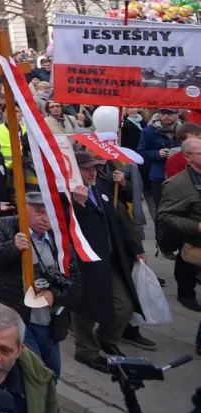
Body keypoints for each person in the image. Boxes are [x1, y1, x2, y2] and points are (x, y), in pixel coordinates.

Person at [0, 191, 75, 379]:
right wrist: (12, 247)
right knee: (31, 374)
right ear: (24, 210)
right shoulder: (4, 226)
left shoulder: (60, 237)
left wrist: (54, 295)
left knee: (51, 373)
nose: (45, 219)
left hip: (50, 321)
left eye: (50, 213)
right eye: (39, 212)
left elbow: (75, 281)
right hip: (18, 317)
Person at [70, 150, 144, 373]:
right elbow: (67, 227)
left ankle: (106, 339)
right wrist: (79, 206)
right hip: (84, 261)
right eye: (86, 169)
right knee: (85, 307)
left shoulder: (100, 188)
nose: (92, 173)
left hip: (110, 259)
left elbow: (117, 222)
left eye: (94, 168)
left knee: (124, 306)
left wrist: (134, 248)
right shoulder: (66, 193)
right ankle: (86, 350)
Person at [159, 136, 201, 314]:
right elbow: (164, 216)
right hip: (192, 240)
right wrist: (196, 227)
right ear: (187, 157)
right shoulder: (177, 184)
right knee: (187, 266)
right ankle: (186, 294)